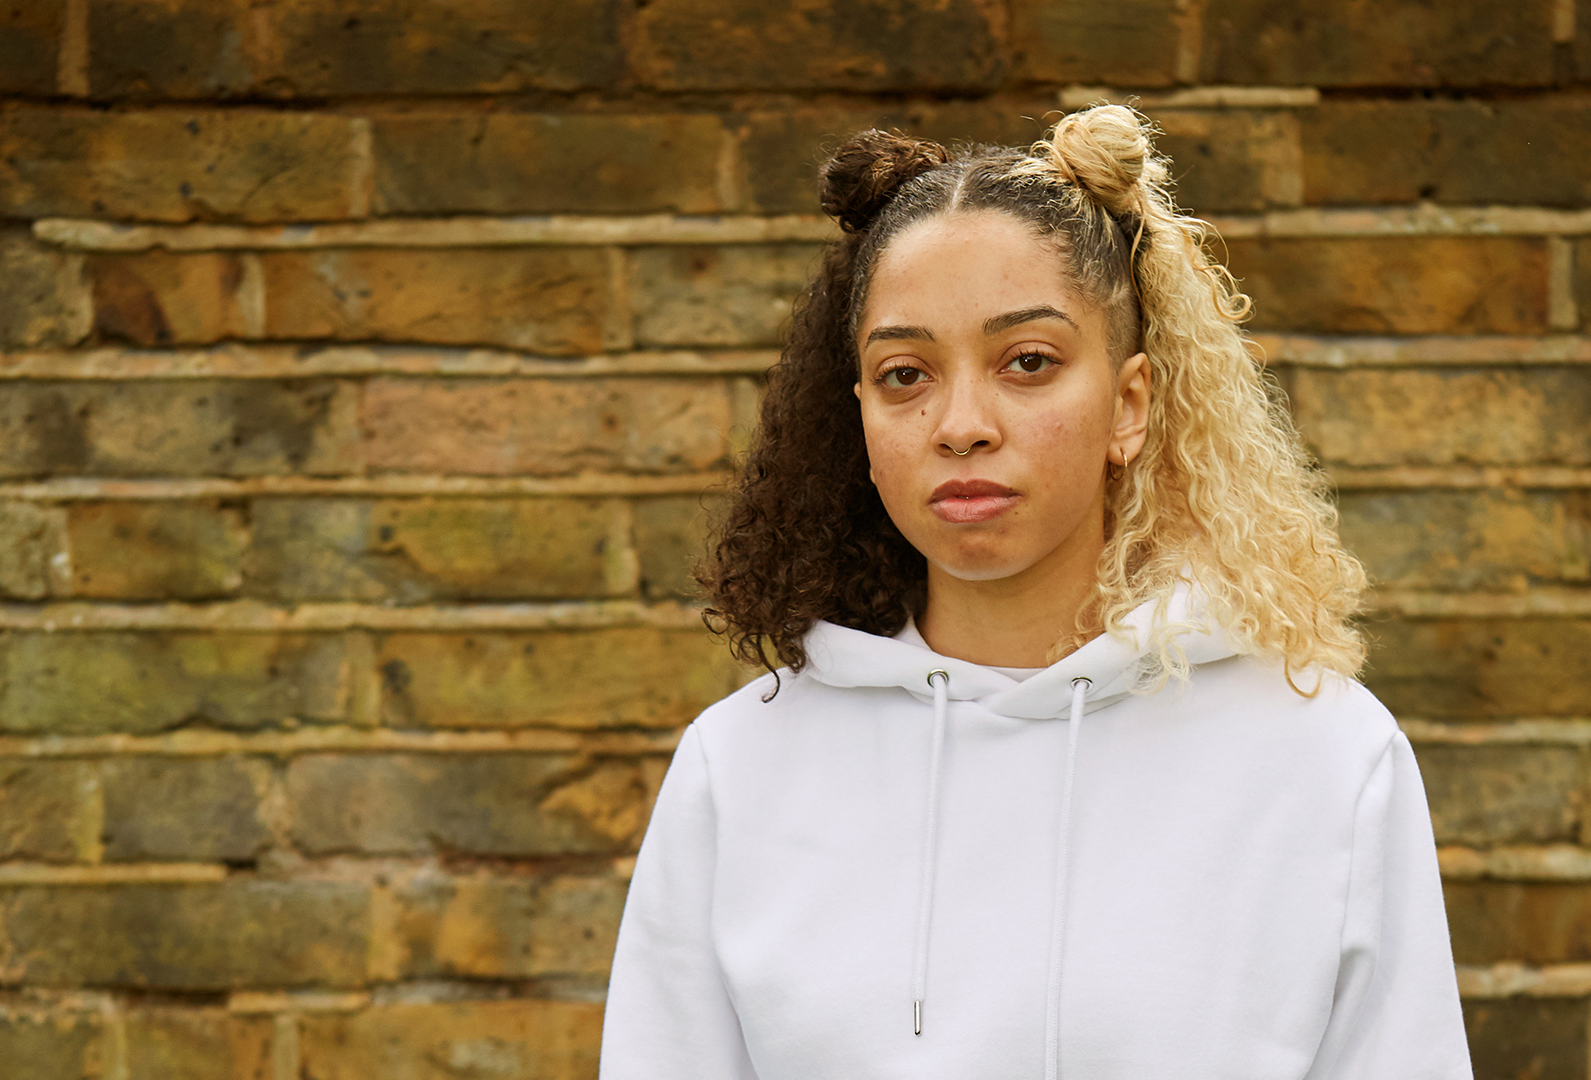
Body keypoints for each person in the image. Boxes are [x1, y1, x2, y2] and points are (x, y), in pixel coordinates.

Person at [600, 104, 1473, 1079]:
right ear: (861, 417)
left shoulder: (1320, 755)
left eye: (1028, 363)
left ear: (1129, 405)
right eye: (905, 374)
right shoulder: (741, 769)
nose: (961, 423)